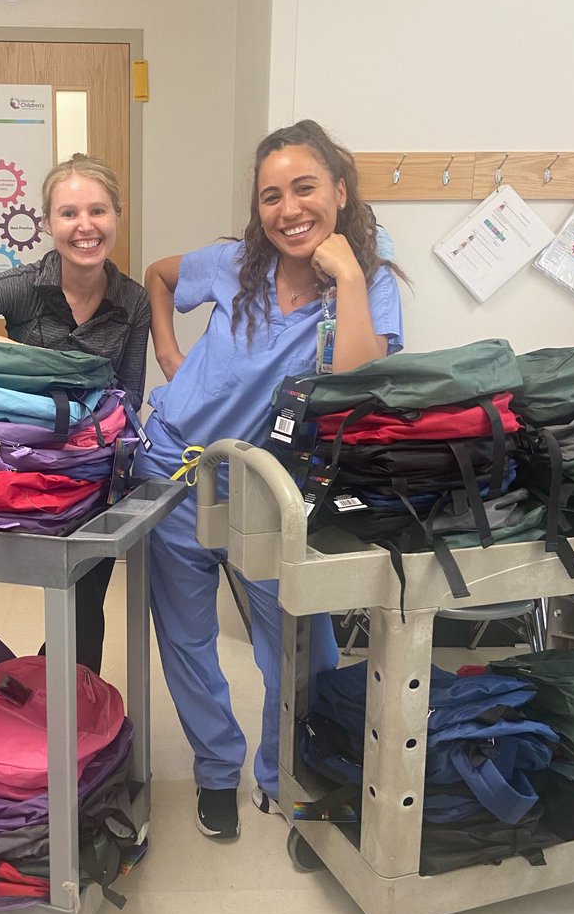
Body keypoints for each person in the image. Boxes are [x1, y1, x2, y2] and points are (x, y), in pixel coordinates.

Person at [133, 120, 406, 840]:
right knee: (187, 637)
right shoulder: (230, 266)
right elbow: (158, 277)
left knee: (300, 642)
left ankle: (282, 771)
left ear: (339, 193)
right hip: (172, 470)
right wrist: (168, 350)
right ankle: (217, 771)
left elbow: (356, 385)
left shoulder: (368, 287)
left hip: (268, 493)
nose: (289, 209)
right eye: (271, 196)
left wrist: (346, 275)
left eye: (305, 189)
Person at [0, 153, 150, 673]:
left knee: (86, 598)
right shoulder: (26, 284)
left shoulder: (133, 302)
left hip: (90, 470)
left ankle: (66, 697)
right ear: (49, 223)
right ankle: (48, 688)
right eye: (69, 213)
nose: (85, 226)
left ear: (117, 215)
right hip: (21, 462)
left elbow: (128, 394)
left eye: (98, 211)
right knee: (57, 588)